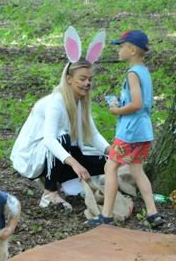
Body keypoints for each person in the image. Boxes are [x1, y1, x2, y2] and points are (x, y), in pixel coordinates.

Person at [10, 27, 110, 210]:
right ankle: (50, 193)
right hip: (35, 155)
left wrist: (112, 152)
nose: (87, 83)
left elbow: (93, 135)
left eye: (89, 79)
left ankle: (66, 182)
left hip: (63, 154)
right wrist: (75, 164)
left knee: (106, 163)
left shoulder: (80, 103)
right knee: (61, 137)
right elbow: (49, 139)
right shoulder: (56, 101)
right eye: (82, 78)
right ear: (69, 79)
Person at [87, 30, 164, 228]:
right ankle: (153, 213)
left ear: (131, 50)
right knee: (137, 170)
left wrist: (116, 109)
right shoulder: (144, 71)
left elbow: (137, 104)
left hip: (129, 132)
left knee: (110, 167)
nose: (119, 50)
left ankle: (106, 216)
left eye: (121, 46)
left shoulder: (132, 73)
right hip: (143, 131)